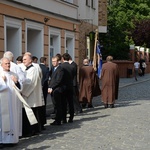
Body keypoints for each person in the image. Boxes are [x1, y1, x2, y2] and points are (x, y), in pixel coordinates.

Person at [21, 54, 44, 136]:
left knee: (32, 113)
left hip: (31, 95)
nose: (23, 61)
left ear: (30, 60)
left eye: (25, 59)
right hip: (29, 95)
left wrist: (22, 91)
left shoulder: (33, 69)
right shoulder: (26, 69)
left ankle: (33, 130)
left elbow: (30, 83)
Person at [0, 57, 21, 145]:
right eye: (6, 63)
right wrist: (3, 81)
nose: (8, 65)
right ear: (1, 64)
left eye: (9, 63)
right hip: (3, 103)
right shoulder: (0, 74)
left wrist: (16, 82)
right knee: (3, 120)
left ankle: (12, 140)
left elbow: (20, 87)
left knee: (13, 119)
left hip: (13, 102)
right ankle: (3, 140)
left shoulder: (13, 74)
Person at [48, 56, 64, 125]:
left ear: (58, 62)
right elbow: (51, 78)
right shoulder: (53, 68)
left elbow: (58, 81)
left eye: (54, 61)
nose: (53, 63)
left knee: (58, 105)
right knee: (55, 105)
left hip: (57, 90)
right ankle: (57, 119)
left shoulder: (60, 69)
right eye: (52, 61)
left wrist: (51, 87)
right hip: (52, 90)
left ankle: (58, 120)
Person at [61, 53, 74, 123]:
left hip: (63, 87)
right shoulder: (72, 66)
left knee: (64, 103)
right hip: (70, 86)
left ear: (63, 59)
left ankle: (64, 118)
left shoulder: (61, 66)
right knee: (70, 102)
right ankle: (71, 117)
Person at [39, 57, 49, 123]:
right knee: (44, 101)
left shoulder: (37, 67)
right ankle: (43, 114)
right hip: (44, 87)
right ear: (45, 61)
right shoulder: (46, 68)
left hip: (39, 87)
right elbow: (47, 78)